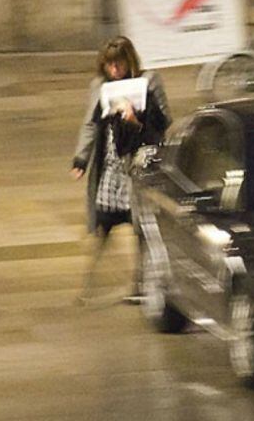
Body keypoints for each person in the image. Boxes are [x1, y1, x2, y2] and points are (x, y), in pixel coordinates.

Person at [70, 36, 171, 305]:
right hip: (111, 168)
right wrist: (81, 158)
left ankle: (140, 283)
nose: (114, 70)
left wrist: (135, 120)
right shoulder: (100, 86)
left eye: (119, 64)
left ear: (130, 61)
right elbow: (91, 124)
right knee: (103, 223)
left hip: (137, 168)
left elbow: (162, 123)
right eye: (109, 65)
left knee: (141, 227)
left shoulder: (149, 82)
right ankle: (89, 283)